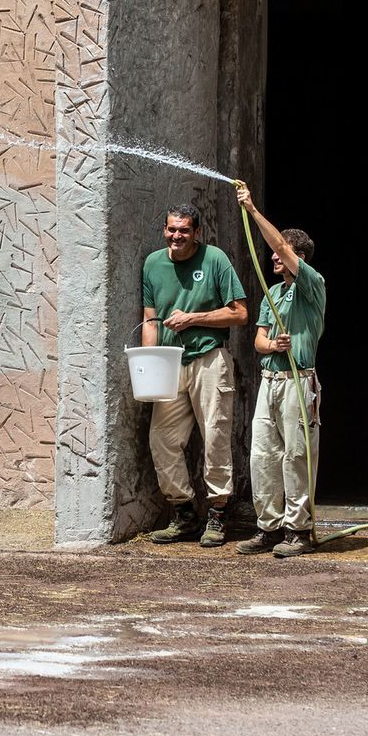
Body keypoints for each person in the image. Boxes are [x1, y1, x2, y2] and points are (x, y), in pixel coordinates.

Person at [141, 203, 249, 547]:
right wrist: (149, 361)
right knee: (162, 439)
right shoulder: (153, 264)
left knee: (215, 436)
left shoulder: (215, 259)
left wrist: (192, 318)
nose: (177, 236)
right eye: (172, 229)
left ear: (197, 233)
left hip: (209, 358)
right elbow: (150, 318)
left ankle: (217, 514)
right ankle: (184, 513)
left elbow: (240, 314)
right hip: (169, 362)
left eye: (184, 230)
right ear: (164, 229)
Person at [234, 182, 326, 559]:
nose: (271, 258)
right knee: (263, 455)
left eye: (277, 253)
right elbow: (258, 340)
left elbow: (283, 247)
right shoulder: (273, 295)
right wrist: (273, 346)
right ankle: (268, 527)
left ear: (296, 257)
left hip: (297, 383)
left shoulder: (313, 285)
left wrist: (253, 210)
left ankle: (298, 530)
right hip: (269, 382)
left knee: (296, 455)